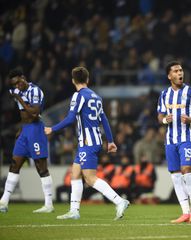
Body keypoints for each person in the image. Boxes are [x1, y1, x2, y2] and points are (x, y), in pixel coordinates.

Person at [44, 66, 129, 220]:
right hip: (94, 141)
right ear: (87, 80)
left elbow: (70, 119)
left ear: (73, 81)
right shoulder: (97, 97)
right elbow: (104, 120)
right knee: (75, 174)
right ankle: (74, 211)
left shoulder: (78, 96)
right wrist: (110, 141)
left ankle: (119, 201)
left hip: (88, 143)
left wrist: (52, 129)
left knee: (90, 178)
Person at [157, 61, 191, 223]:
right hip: (170, 140)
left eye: (181, 70)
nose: (180, 73)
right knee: (175, 176)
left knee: (187, 170)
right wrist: (165, 120)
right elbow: (159, 115)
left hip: (187, 139)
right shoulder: (164, 95)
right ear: (169, 76)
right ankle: (185, 212)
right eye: (176, 71)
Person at [0, 68, 54, 213]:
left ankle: (49, 204)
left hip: (36, 130)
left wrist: (19, 98)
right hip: (26, 130)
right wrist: (21, 128)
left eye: (18, 83)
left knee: (41, 167)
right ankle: (4, 201)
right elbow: (24, 115)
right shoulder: (19, 91)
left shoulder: (34, 91)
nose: (17, 86)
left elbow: (35, 113)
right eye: (14, 85)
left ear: (23, 78)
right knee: (15, 163)